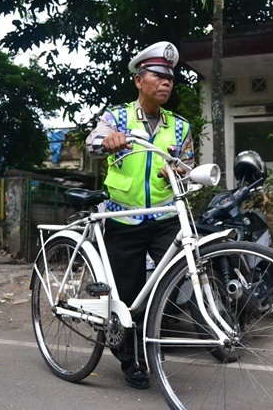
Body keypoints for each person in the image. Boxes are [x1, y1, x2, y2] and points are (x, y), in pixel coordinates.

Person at [86, 41, 194, 389]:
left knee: (168, 282)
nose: (166, 83)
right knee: (128, 294)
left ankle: (154, 343)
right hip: (124, 218)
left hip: (163, 218)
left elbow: (187, 166)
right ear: (139, 80)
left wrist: (177, 172)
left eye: (170, 79)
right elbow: (91, 144)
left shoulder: (179, 127)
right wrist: (108, 142)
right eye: (158, 76)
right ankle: (131, 361)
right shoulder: (116, 117)